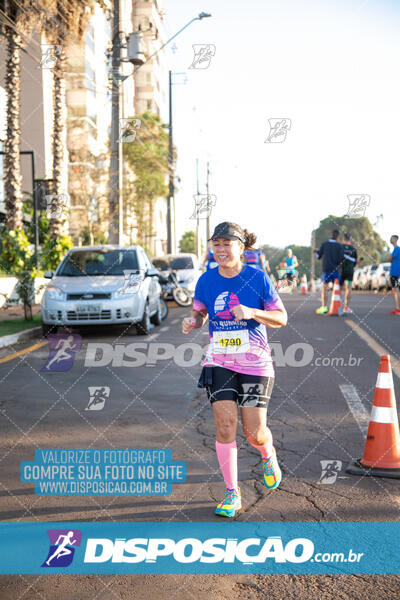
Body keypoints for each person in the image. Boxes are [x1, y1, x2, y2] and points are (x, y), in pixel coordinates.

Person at [182, 221, 287, 518]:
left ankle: (267, 453)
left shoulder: (258, 279)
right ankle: (232, 493)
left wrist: (253, 312)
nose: (221, 249)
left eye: (227, 244)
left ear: (241, 248)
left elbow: (282, 318)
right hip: (220, 360)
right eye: (216, 244)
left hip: (254, 363)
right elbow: (200, 312)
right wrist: (193, 321)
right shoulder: (206, 281)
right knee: (225, 426)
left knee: (254, 432)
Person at [314, 229, 344, 314]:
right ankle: (338, 308)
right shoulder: (339, 246)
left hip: (326, 270)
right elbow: (342, 258)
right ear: (338, 236)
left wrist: (315, 252)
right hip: (336, 270)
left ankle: (324, 307)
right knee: (337, 289)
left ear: (331, 235)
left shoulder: (325, 244)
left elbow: (318, 256)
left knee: (325, 289)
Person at [340, 232, 358, 313]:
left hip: (341, 271)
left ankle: (338, 306)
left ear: (343, 239)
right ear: (350, 239)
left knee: (339, 288)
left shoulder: (340, 247)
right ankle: (346, 307)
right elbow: (355, 262)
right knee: (349, 287)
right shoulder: (353, 249)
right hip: (350, 271)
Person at [388, 234, 400, 315]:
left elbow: (389, 259)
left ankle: (398, 309)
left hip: (395, 272)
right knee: (395, 290)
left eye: (391, 238)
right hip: (395, 272)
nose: (390, 239)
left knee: (396, 290)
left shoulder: (397, 249)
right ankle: (397, 308)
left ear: (395, 239)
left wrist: (389, 256)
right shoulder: (396, 249)